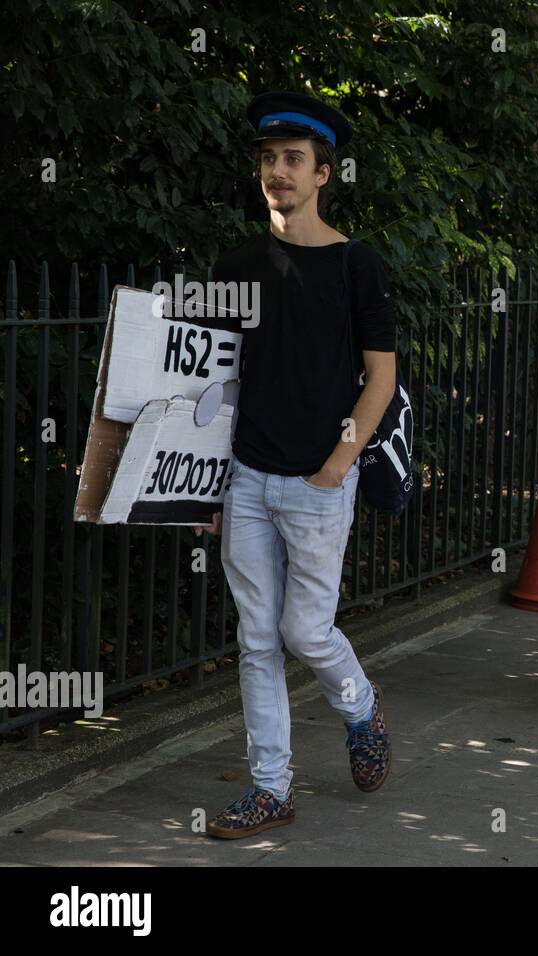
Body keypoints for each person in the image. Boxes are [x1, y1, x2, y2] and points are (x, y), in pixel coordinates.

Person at [195, 92, 396, 838]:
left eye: (292, 160)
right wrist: (201, 484)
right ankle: (270, 787)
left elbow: (381, 378)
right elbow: (208, 380)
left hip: (317, 482)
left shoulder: (356, 266)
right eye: (268, 160)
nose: (277, 171)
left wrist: (337, 465)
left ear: (324, 174)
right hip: (246, 478)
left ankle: (362, 710)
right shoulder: (237, 263)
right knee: (255, 639)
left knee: (306, 633)